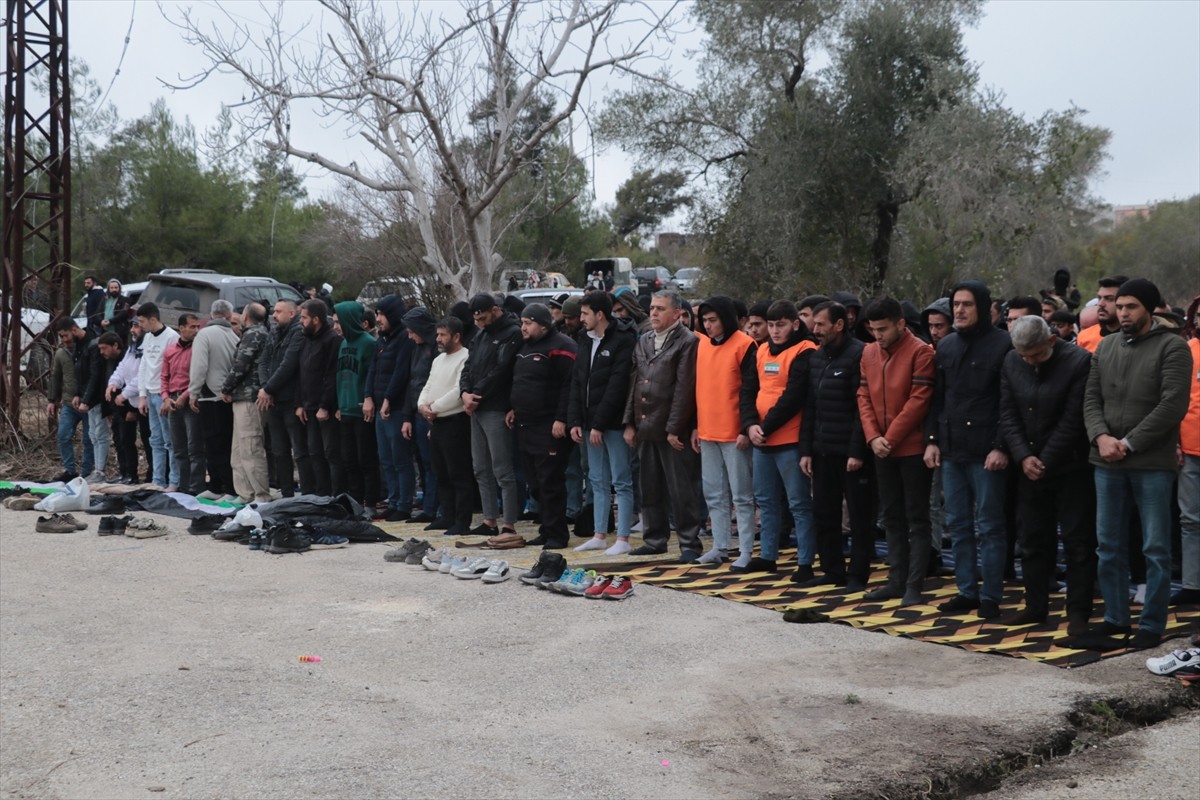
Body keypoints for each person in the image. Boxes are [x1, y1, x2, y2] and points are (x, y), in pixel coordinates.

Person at [1082, 279, 1191, 650]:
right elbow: (1091, 400)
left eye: (1130, 307)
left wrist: (1127, 443)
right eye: (1119, 306)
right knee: (1108, 545)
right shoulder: (1106, 345)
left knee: (1155, 547)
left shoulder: (1173, 347)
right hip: (1106, 460)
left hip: (1151, 464)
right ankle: (1115, 619)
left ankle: (1151, 624)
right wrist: (1101, 437)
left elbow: (1172, 405)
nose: (1122, 313)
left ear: (1149, 308)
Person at [999, 315, 1095, 632]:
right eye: (1024, 356)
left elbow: (1074, 418)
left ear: (1051, 341)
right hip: (1028, 464)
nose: (1029, 361)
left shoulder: (1078, 361)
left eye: (1036, 355)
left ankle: (1078, 613)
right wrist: (1024, 456)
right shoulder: (1012, 361)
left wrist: (1045, 459)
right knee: (1032, 539)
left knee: (1077, 541)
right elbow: (1008, 413)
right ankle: (1035, 605)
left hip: (1070, 466)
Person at [925, 281, 1014, 618]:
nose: (959, 310)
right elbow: (938, 399)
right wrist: (932, 441)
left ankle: (990, 595)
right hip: (951, 450)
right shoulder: (945, 346)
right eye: (956, 304)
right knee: (958, 525)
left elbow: (1009, 403)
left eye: (967, 304)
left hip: (987, 453)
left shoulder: (1004, 345)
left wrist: (1000, 446)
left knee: (989, 526)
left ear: (983, 307)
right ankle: (966, 590)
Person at [857, 297, 936, 606]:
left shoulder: (921, 352)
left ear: (901, 323)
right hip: (882, 448)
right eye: (873, 329)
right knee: (891, 516)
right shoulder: (868, 352)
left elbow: (919, 399)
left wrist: (887, 437)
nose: (878, 336)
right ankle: (895, 579)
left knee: (916, 517)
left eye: (883, 329)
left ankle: (915, 583)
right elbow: (863, 395)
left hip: (911, 447)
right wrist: (873, 437)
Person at [623, 289, 705, 562]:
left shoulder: (688, 341)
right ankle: (655, 539)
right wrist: (630, 423)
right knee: (650, 486)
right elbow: (633, 383)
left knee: (682, 489)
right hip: (645, 423)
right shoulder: (644, 340)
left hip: (673, 429)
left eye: (660, 308)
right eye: (652, 308)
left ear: (677, 313)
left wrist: (674, 428)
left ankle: (689, 543)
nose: (654, 313)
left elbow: (685, 389)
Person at [799, 301, 873, 591]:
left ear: (839, 325)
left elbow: (861, 408)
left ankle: (857, 573)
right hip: (821, 450)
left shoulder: (859, 354)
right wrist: (806, 449)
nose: (815, 330)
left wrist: (857, 451)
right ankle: (832, 569)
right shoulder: (817, 358)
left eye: (820, 324)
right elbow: (811, 406)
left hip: (850, 453)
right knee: (824, 512)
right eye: (814, 324)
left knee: (858, 516)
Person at [741, 300, 817, 575]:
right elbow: (748, 389)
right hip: (762, 440)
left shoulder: (805, 350)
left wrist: (765, 426)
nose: (774, 331)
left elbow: (794, 397)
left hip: (790, 440)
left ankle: (805, 562)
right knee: (766, 500)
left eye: (780, 325)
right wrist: (750, 424)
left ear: (795, 324)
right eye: (771, 325)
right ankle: (768, 555)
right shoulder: (760, 350)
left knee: (798, 503)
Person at [570, 291, 639, 555]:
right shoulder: (584, 339)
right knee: (596, 480)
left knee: (621, 480)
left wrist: (599, 424)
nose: (581, 318)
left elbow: (617, 386)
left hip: (613, 424)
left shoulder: (623, 340)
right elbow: (578, 381)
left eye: (585, 313)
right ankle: (599, 534)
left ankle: (622, 538)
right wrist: (576, 419)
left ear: (600, 314)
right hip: (589, 424)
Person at [691, 296, 758, 566]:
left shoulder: (745, 345)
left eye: (713, 320)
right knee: (714, 494)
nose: (708, 326)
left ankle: (745, 551)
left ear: (726, 319)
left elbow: (751, 390)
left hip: (734, 434)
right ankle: (720, 547)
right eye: (704, 321)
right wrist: (696, 425)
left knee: (741, 496)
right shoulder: (703, 346)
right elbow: (700, 389)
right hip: (707, 431)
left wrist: (745, 427)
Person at [508, 303, 577, 549]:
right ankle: (546, 529)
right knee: (535, 483)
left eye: (528, 323)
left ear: (543, 325)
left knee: (550, 481)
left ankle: (558, 534)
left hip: (549, 425)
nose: (523, 328)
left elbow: (570, 386)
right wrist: (513, 408)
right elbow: (522, 381)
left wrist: (562, 419)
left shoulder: (563, 347)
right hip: (525, 424)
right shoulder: (524, 347)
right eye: (522, 323)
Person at [460, 293, 523, 537]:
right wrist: (464, 392)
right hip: (475, 407)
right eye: (476, 320)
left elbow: (501, 370)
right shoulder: (480, 334)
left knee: (502, 469)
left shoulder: (512, 333)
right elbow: (468, 366)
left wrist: (475, 394)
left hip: (495, 406)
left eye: (484, 318)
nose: (480, 323)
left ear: (495, 310)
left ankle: (509, 522)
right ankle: (489, 520)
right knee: (480, 467)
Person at [418, 318, 473, 536]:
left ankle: (462, 520)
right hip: (436, 421)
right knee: (440, 472)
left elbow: (459, 390)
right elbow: (428, 384)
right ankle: (447, 515)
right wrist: (422, 405)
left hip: (455, 421)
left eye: (443, 335)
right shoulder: (439, 359)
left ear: (457, 336)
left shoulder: (466, 356)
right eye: (438, 334)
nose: (438, 339)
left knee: (458, 473)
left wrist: (435, 407)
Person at [365, 296, 414, 520]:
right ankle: (393, 500)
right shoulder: (381, 340)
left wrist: (387, 399)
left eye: (381, 314)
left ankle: (404, 503)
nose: (378, 319)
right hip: (379, 408)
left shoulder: (404, 338)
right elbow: (372, 370)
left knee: (400, 458)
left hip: (395, 408)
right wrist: (368, 396)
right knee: (385, 458)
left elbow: (401, 373)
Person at [221, 303, 272, 504]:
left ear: (246, 316)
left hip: (250, 398)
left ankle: (260, 496)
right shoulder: (256, 332)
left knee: (251, 448)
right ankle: (245, 494)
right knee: (238, 450)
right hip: (242, 397)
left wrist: (226, 388)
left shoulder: (254, 334)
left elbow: (241, 365)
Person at [188, 300, 239, 500]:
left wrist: (193, 393)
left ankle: (225, 487)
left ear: (210, 315)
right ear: (228, 316)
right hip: (226, 395)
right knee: (224, 442)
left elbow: (199, 366)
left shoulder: (204, 335)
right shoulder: (233, 336)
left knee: (214, 444)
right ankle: (218, 486)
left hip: (210, 396)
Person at [258, 299, 308, 498]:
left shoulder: (298, 333)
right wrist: (265, 388)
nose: (275, 315)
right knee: (279, 450)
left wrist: (268, 389)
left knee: (300, 450)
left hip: (290, 399)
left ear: (292, 313)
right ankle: (286, 492)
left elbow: (289, 364)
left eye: (279, 312)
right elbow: (264, 361)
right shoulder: (274, 331)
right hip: (273, 399)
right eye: (274, 312)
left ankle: (307, 492)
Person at [332, 301, 380, 509]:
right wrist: (339, 404)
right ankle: (356, 501)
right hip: (345, 409)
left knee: (365, 459)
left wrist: (367, 401)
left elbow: (371, 377)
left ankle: (370, 502)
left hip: (362, 410)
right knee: (349, 459)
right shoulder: (343, 344)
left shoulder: (368, 343)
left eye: (339, 322)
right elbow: (340, 376)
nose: (335, 326)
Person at [296, 299, 342, 496]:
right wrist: (300, 403)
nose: (300, 321)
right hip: (309, 407)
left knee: (331, 454)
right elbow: (302, 373)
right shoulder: (307, 339)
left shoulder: (332, 340)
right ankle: (320, 496)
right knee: (314, 453)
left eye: (304, 317)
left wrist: (325, 405)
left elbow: (331, 376)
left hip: (327, 409)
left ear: (316, 319)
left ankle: (336, 495)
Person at [399, 306, 441, 525]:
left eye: (411, 330)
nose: (409, 335)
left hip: (431, 412)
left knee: (432, 462)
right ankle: (428, 505)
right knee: (422, 462)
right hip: (416, 412)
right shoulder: (416, 348)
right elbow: (411, 382)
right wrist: (407, 417)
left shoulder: (435, 348)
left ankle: (434, 507)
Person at [136, 303, 180, 490]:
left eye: (142, 321)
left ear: (153, 319)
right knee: (156, 440)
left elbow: (173, 369)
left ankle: (174, 481)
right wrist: (142, 395)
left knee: (170, 440)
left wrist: (167, 395)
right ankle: (157, 480)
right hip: (150, 392)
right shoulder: (147, 337)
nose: (141, 325)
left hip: (164, 394)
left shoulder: (171, 337)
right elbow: (144, 365)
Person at [161, 314, 205, 495]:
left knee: (194, 447)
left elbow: (199, 376)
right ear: (182, 328)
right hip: (173, 400)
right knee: (178, 447)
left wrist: (185, 396)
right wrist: (165, 397)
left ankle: (197, 487)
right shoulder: (170, 350)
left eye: (197, 327)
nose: (196, 330)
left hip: (191, 399)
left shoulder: (198, 349)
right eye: (192, 327)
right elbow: (164, 377)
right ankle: (184, 486)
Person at [46, 320, 93, 482]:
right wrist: (52, 400)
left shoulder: (86, 348)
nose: (64, 339)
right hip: (68, 403)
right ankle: (70, 470)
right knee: (63, 435)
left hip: (87, 403)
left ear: (73, 331)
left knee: (89, 439)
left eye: (66, 335)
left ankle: (87, 472)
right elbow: (56, 377)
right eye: (61, 336)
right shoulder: (60, 354)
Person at [1176, 296, 1200, 606]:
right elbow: (1172, 400)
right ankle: (1193, 584)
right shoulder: (1185, 351)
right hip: (1190, 448)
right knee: (1190, 520)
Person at [106, 320, 144, 484]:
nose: (133, 330)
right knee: (122, 439)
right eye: (132, 326)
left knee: (147, 442)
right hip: (128, 400)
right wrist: (112, 383)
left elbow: (141, 375)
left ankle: (143, 476)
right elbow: (121, 369)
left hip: (141, 400)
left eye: (136, 326)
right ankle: (126, 473)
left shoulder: (145, 348)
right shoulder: (132, 348)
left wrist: (125, 395)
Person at [1076, 276, 1128, 353]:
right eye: (1099, 298)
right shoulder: (1085, 336)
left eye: (1109, 299)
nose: (1100, 304)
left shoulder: (1137, 336)